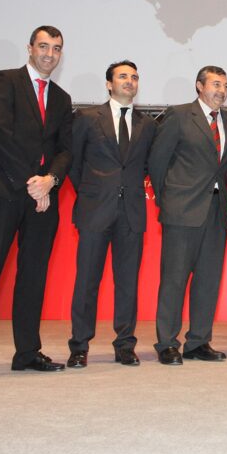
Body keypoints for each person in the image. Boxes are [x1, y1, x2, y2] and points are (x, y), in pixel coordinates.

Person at [0, 25, 73, 383]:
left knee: (33, 277)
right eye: (43, 46)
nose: (49, 54)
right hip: (5, 191)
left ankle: (27, 352)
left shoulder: (62, 99)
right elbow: (0, 137)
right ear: (30, 48)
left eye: (56, 48)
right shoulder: (4, 81)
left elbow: (65, 150)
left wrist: (50, 181)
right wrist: (33, 184)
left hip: (42, 197)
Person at [66, 60, 156, 368]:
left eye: (134, 77)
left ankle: (125, 344)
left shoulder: (148, 124)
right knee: (87, 281)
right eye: (122, 77)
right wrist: (92, 192)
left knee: (127, 282)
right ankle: (79, 345)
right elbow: (74, 164)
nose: (129, 81)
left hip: (131, 213)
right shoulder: (88, 118)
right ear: (109, 84)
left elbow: (145, 166)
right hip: (94, 211)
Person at [148, 66, 227, 365]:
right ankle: (167, 343)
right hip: (181, 210)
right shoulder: (179, 115)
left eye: (225, 85)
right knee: (174, 279)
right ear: (199, 86)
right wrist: (168, 200)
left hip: (215, 211)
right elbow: (158, 162)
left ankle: (198, 341)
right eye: (215, 84)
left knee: (208, 280)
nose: (221, 90)